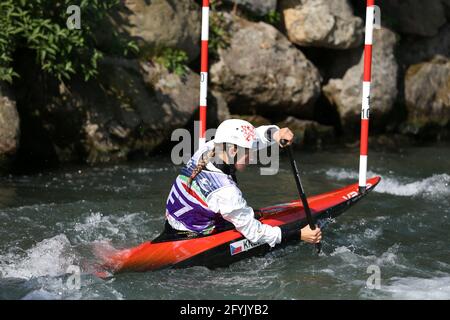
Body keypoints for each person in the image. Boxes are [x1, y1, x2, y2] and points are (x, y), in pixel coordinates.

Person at [159, 119, 322, 247]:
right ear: (233, 151)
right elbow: (256, 234)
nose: (252, 158)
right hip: (194, 237)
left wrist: (276, 133)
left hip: (173, 223)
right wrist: (300, 234)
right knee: (250, 225)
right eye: (248, 153)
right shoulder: (225, 191)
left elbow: (256, 137)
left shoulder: (209, 149)